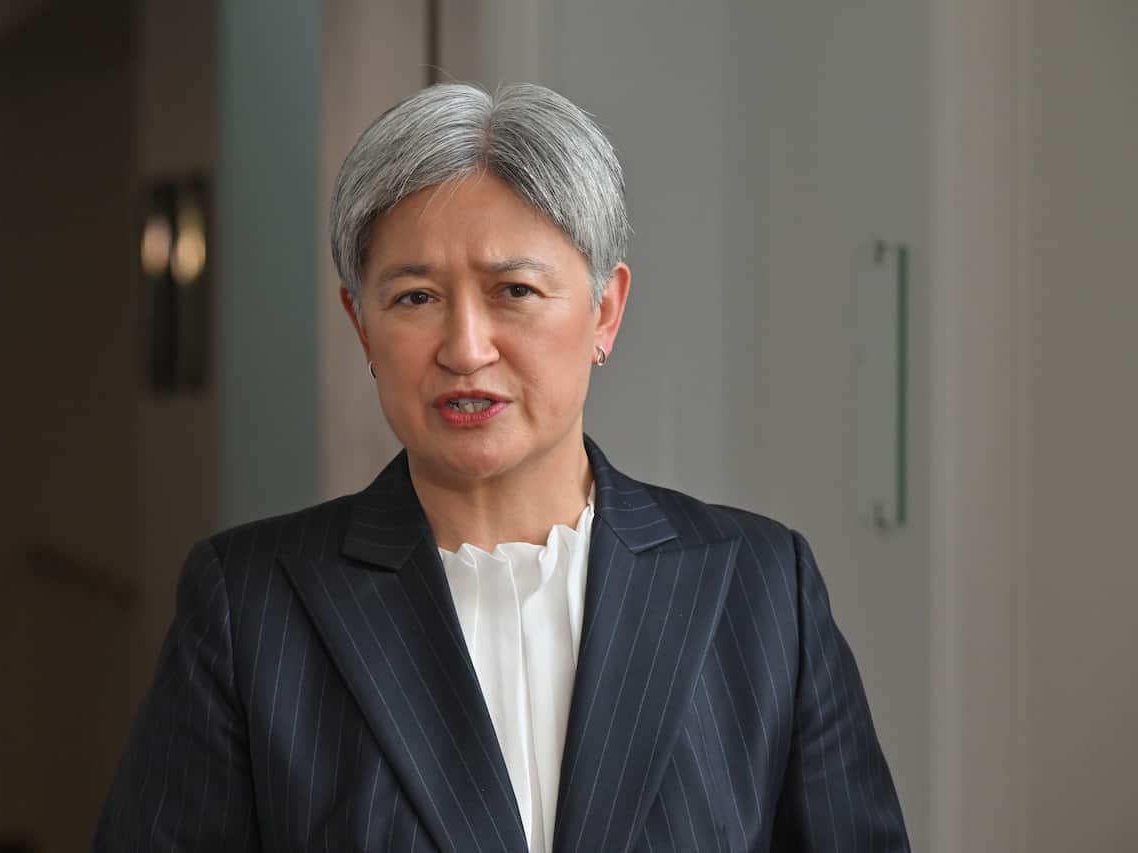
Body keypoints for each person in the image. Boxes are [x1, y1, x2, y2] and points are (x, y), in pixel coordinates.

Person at [95, 82, 910, 852]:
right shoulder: (250, 607)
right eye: (415, 297)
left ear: (605, 310)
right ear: (360, 323)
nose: (466, 348)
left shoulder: (763, 591)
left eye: (514, 290)